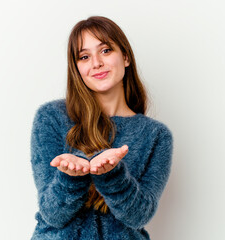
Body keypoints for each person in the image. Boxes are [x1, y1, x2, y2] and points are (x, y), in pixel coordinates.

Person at [30, 16, 173, 240]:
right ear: (77, 68)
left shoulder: (155, 135)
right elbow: (52, 214)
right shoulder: (52, 117)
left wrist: (112, 175)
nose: (96, 63)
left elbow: (139, 217)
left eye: (105, 50)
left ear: (125, 57)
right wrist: (71, 177)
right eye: (84, 56)